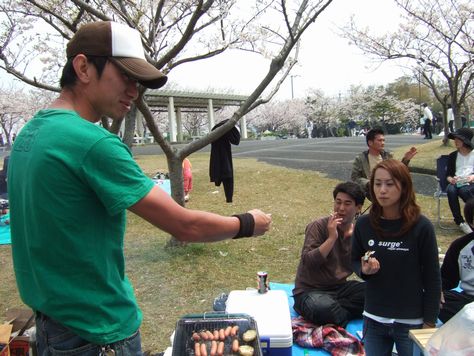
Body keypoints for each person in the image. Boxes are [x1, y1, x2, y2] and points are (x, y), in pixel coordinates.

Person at [8, 21, 272, 356]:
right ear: (83, 67)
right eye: (125, 76)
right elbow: (184, 225)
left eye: (138, 81)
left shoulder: (29, 136)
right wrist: (249, 223)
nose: (134, 90)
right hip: (98, 333)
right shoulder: (92, 144)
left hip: (51, 327)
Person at [351, 159, 441, 356]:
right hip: (374, 318)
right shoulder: (364, 224)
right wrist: (363, 270)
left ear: (404, 187)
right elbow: (354, 260)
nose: (382, 190)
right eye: (377, 184)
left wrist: (429, 321)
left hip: (411, 321)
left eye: (390, 184)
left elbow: (433, 277)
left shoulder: (421, 226)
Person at [293, 181, 366, 327]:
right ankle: (337, 314)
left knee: (375, 294)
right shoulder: (318, 226)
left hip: (339, 289)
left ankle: (337, 315)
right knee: (322, 308)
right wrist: (332, 238)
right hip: (310, 291)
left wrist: (367, 269)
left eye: (347, 204)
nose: (341, 208)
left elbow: (359, 267)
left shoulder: (359, 233)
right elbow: (309, 263)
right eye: (338, 202)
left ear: (358, 208)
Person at [351, 128, 417, 199]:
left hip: (389, 189)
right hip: (371, 192)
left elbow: (397, 171)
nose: (383, 143)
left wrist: (406, 160)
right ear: (370, 142)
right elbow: (355, 177)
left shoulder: (387, 156)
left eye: (383, 140)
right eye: (379, 140)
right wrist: (368, 183)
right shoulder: (361, 159)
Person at [439, 198, 474, 323]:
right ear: (471, 223)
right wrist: (438, 292)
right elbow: (447, 279)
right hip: (468, 301)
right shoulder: (460, 246)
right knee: (433, 299)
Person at [445, 128, 474, 234]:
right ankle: (460, 222)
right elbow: (448, 175)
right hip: (456, 181)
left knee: (464, 191)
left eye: (458, 139)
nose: (455, 141)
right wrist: (451, 180)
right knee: (451, 191)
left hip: (470, 182)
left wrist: (471, 178)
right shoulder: (453, 156)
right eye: (455, 139)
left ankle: (471, 217)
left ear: (465, 141)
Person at [209, 119, 240, 203]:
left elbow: (235, 141)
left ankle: (228, 197)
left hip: (219, 155)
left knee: (226, 172)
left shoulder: (218, 128)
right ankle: (229, 198)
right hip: (223, 156)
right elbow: (236, 141)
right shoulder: (226, 128)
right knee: (227, 174)